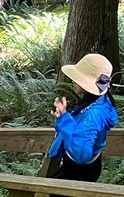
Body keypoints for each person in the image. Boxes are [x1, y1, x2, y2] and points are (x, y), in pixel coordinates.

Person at [47, 53, 118, 183]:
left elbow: (81, 154)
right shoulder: (99, 101)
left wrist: (64, 120)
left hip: (78, 171)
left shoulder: (93, 115)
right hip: (85, 167)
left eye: (77, 77)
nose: (73, 80)